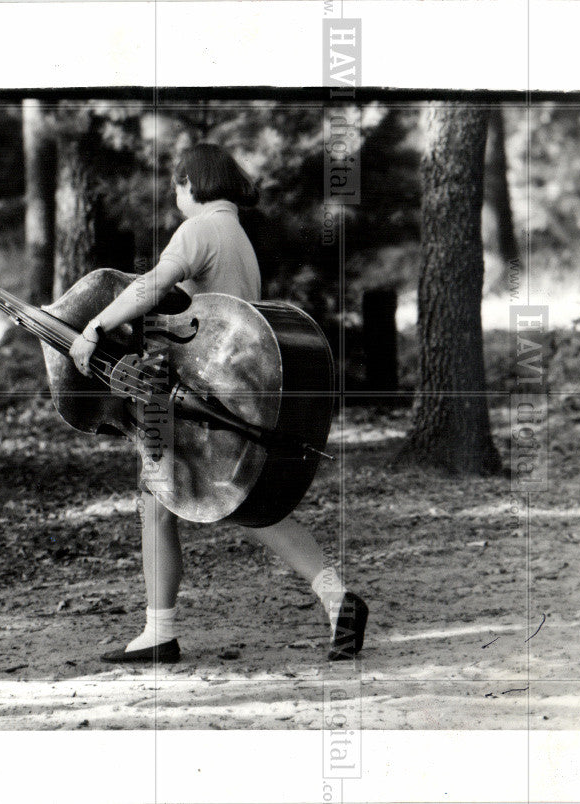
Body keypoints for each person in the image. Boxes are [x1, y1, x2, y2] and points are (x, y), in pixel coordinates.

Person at [68, 143, 367, 662]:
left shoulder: (200, 229)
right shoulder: (238, 236)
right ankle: (338, 599)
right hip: (234, 385)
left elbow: (150, 286)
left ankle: (159, 633)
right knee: (251, 506)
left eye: (177, 185)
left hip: (197, 388)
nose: (175, 195)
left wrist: (95, 326)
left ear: (191, 182)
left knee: (162, 500)